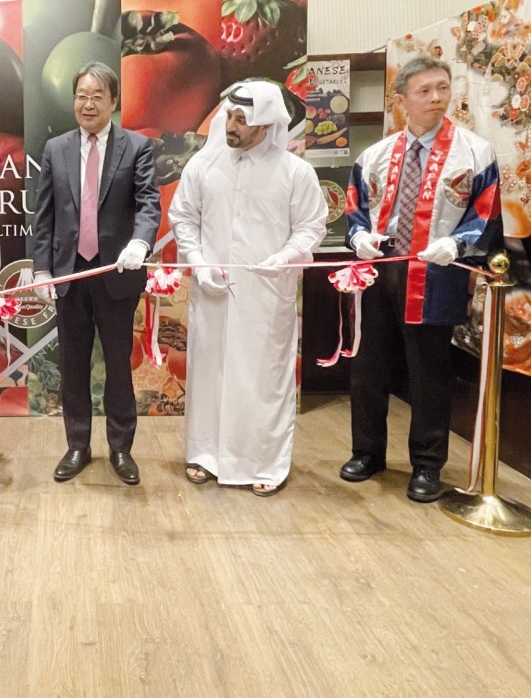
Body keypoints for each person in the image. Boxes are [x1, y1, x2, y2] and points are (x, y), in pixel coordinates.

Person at [342, 55, 503, 502]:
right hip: (378, 272)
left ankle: (428, 465)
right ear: (401, 101)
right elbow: (355, 209)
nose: (436, 98)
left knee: (428, 373)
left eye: (443, 88)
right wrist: (359, 238)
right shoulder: (374, 155)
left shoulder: (473, 152)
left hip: (434, 275)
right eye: (424, 91)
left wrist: (458, 243)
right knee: (368, 367)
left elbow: (485, 213)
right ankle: (367, 452)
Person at [168, 80, 327, 495]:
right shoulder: (204, 166)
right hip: (213, 293)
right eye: (229, 116)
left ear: (266, 125)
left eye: (242, 120)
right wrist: (198, 264)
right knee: (210, 373)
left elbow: (311, 227)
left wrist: (284, 258)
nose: (231, 126)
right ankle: (204, 455)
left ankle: (264, 464)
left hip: (266, 297)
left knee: (262, 380)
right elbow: (182, 218)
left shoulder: (295, 172)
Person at [32, 61, 162, 485]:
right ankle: (77, 445)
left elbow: (148, 204)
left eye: (96, 96)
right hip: (69, 276)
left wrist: (141, 242)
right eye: (80, 96)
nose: (87, 104)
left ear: (114, 101)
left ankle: (121, 449)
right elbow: (45, 216)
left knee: (119, 366)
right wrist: (41, 268)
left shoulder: (137, 147)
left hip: (117, 273)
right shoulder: (56, 149)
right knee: (73, 364)